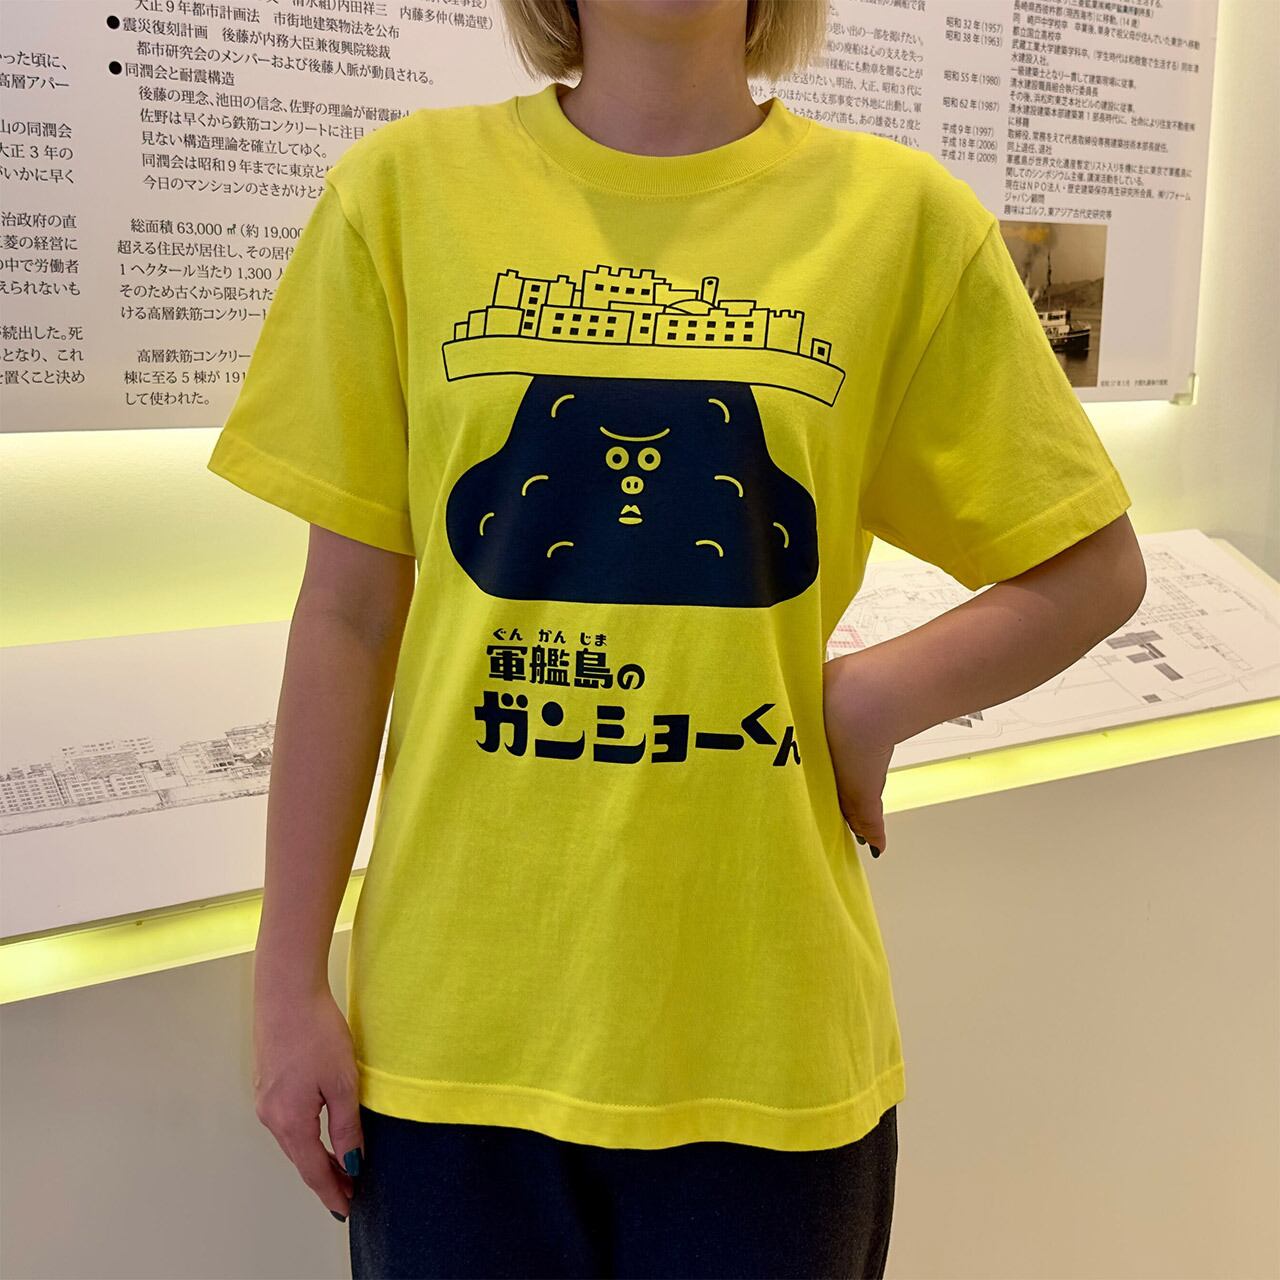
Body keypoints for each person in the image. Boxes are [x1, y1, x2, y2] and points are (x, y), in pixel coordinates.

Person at [205, 0, 1148, 1275]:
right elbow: (347, 613)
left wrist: (868, 699)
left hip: (764, 1043)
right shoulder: (400, 193)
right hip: (451, 1035)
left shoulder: (899, 221)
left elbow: (1090, 565)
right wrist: (284, 982)